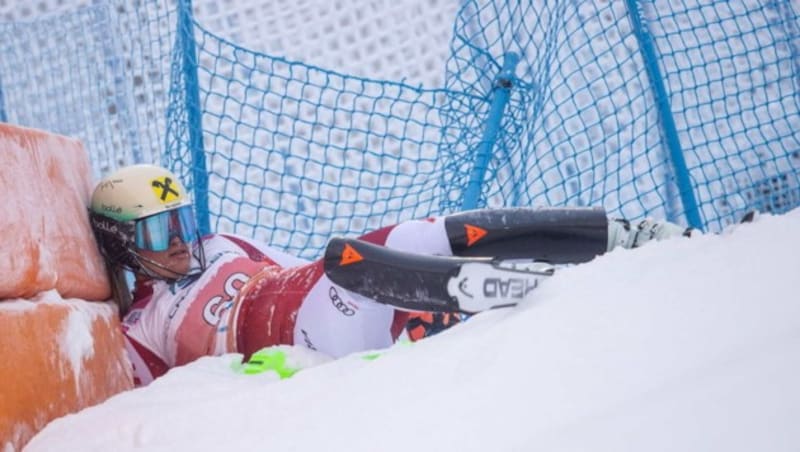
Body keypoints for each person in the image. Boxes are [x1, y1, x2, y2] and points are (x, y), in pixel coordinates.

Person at [89, 164, 691, 385]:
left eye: (182, 220)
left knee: (434, 232)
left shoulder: (222, 244)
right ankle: (516, 290)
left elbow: (286, 269)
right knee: (355, 268)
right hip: (303, 336)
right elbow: (166, 405)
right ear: (122, 242)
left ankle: (620, 236)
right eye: (157, 232)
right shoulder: (143, 327)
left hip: (327, 280)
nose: (180, 241)